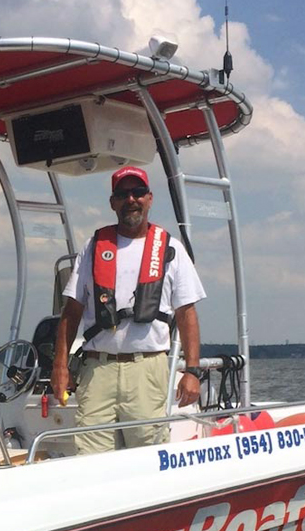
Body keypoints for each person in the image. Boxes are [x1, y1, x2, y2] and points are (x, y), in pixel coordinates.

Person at [51, 166, 205, 455]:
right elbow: (71, 312)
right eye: (123, 194)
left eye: (138, 192)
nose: (131, 199)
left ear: (149, 198)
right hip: (98, 370)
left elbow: (187, 314)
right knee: (90, 457)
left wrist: (192, 371)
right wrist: (59, 367)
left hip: (147, 371)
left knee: (148, 456)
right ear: (113, 202)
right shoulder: (93, 248)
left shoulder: (171, 249)